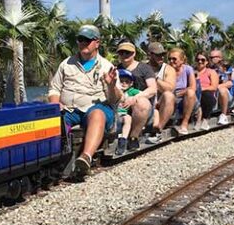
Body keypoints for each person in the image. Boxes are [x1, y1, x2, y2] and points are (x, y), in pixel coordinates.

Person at [48, 24, 121, 177]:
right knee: (50, 119)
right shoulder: (66, 64)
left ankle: (85, 157)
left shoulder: (107, 67)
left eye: (87, 40)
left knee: (97, 114)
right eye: (80, 40)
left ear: (97, 43)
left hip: (96, 109)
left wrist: (111, 85)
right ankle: (51, 162)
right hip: (69, 109)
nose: (83, 43)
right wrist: (56, 103)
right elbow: (54, 89)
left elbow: (114, 100)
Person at [115, 40, 157, 151]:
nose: (124, 55)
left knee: (141, 103)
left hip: (142, 107)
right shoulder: (115, 70)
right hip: (121, 106)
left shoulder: (144, 68)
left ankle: (134, 136)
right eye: (122, 52)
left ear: (134, 53)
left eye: (127, 52)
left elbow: (153, 89)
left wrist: (135, 98)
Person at [146, 42, 176, 144]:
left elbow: (170, 88)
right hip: (146, 103)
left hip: (160, 104)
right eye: (158, 55)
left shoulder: (168, 69)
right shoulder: (142, 67)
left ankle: (158, 130)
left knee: (169, 96)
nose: (161, 57)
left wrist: (154, 79)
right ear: (150, 55)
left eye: (162, 54)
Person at [169, 48, 197, 135]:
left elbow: (192, 87)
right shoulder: (166, 69)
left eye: (174, 59)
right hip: (170, 96)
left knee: (190, 93)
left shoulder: (188, 69)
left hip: (184, 98)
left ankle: (185, 123)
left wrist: (180, 93)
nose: (171, 61)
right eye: (169, 58)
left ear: (181, 60)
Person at [114, 69, 140, 155]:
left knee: (128, 119)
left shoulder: (131, 91)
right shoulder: (113, 90)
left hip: (123, 114)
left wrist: (133, 99)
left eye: (127, 81)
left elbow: (142, 94)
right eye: (121, 81)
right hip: (114, 113)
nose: (124, 83)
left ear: (131, 83)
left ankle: (123, 140)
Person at [194, 52, 219, 130]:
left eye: (202, 60)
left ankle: (205, 119)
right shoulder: (192, 72)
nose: (200, 62)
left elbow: (214, 87)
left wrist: (201, 89)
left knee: (206, 94)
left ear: (207, 62)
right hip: (195, 94)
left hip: (207, 95)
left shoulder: (211, 72)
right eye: (198, 60)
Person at [209, 49, 232, 124]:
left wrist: (217, 86)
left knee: (222, 90)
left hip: (226, 94)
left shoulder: (227, 68)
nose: (212, 59)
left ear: (220, 58)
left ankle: (223, 115)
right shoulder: (208, 68)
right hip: (212, 93)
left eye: (215, 57)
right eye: (211, 57)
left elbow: (230, 83)